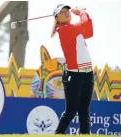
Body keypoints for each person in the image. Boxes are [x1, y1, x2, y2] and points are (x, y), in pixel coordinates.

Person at [51, 4, 94, 134]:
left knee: (84, 110)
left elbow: (89, 31)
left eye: (67, 11)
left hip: (88, 73)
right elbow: (83, 23)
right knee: (71, 110)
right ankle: (58, 133)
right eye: (62, 12)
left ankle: (85, 134)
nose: (67, 13)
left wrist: (84, 15)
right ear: (57, 18)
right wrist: (82, 11)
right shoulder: (63, 30)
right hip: (73, 75)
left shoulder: (73, 28)